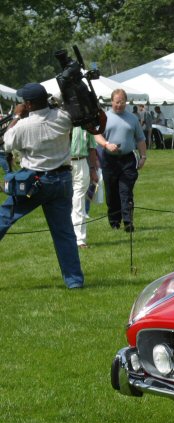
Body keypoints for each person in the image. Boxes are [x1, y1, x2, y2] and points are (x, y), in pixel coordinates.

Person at [0, 83, 84, 288]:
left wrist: (17, 116)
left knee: (4, 217)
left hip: (34, 182)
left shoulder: (23, 125)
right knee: (64, 232)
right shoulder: (63, 118)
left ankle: (74, 280)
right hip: (63, 179)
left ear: (28, 104)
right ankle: (74, 281)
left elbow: (7, 142)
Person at [94, 88, 147, 233]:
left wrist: (143, 157)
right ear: (111, 102)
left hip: (127, 160)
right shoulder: (104, 117)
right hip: (109, 160)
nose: (119, 105)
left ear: (126, 102)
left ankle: (128, 222)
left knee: (126, 191)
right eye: (117, 102)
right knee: (111, 193)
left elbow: (140, 139)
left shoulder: (132, 118)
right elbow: (97, 135)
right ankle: (114, 222)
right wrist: (106, 144)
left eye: (122, 102)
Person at [70, 124, 99, 248]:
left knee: (79, 201)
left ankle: (80, 239)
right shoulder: (61, 122)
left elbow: (92, 148)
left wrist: (93, 170)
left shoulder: (87, 124)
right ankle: (68, 237)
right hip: (63, 164)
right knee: (64, 202)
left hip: (81, 163)